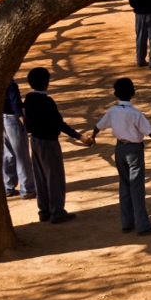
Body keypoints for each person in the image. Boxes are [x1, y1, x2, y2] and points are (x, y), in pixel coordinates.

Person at [87, 78, 151, 236]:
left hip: (119, 149)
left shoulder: (113, 111)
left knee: (124, 185)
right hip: (134, 151)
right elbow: (150, 132)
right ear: (133, 93)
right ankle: (143, 225)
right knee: (137, 188)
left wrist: (92, 136)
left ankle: (126, 223)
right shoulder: (135, 113)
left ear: (115, 94)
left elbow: (98, 126)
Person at [22, 67, 92, 224]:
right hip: (49, 142)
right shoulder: (47, 102)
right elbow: (59, 123)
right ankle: (57, 211)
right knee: (54, 177)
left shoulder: (29, 99)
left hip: (35, 141)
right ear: (46, 83)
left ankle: (44, 210)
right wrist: (79, 136)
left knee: (40, 176)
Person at [2, 77, 36, 200]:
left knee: (8, 153)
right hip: (12, 119)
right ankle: (27, 188)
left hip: (0, 119)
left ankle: (8, 186)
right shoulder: (10, 85)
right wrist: (22, 120)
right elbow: (15, 103)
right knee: (21, 154)